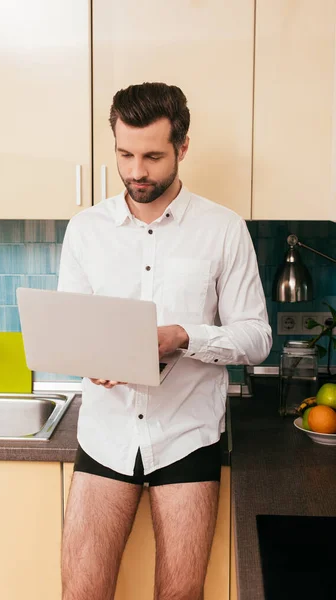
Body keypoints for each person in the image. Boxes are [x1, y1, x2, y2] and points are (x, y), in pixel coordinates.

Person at [58, 82, 272, 600]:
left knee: (180, 596)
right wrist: (89, 359)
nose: (136, 171)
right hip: (105, 435)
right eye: (125, 154)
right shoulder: (86, 229)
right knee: (81, 593)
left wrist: (183, 336)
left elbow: (257, 337)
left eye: (153, 156)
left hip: (186, 436)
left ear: (182, 147)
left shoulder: (224, 229)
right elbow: (72, 330)